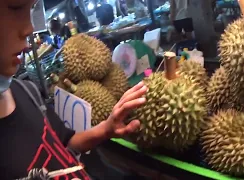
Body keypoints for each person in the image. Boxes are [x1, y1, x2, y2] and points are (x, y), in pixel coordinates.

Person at [0, 0, 147, 179]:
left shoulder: (27, 92)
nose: (29, 28)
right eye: (15, 8)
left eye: (30, 9)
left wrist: (106, 128)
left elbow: (67, 142)